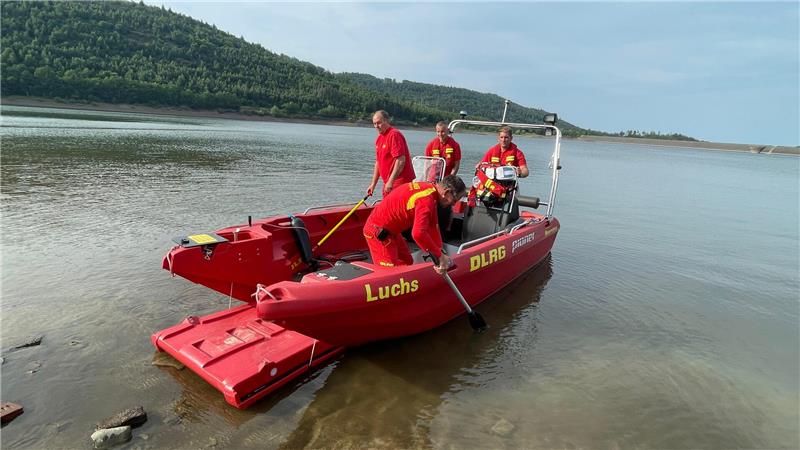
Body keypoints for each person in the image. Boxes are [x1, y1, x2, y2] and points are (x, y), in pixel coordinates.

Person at [363, 175, 467, 274]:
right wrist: (439, 256)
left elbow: (433, 226)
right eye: (454, 200)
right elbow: (418, 233)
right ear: (446, 192)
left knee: (407, 261)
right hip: (378, 232)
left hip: (393, 231)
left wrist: (440, 252)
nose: (453, 204)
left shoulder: (430, 191)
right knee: (389, 274)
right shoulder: (426, 199)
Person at [367, 110, 417, 197]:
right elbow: (378, 162)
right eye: (374, 124)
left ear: (386, 120)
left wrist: (391, 181)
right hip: (388, 182)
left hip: (399, 182)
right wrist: (373, 184)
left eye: (379, 123)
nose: (376, 126)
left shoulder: (394, 135)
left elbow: (401, 160)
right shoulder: (379, 139)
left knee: (397, 209)